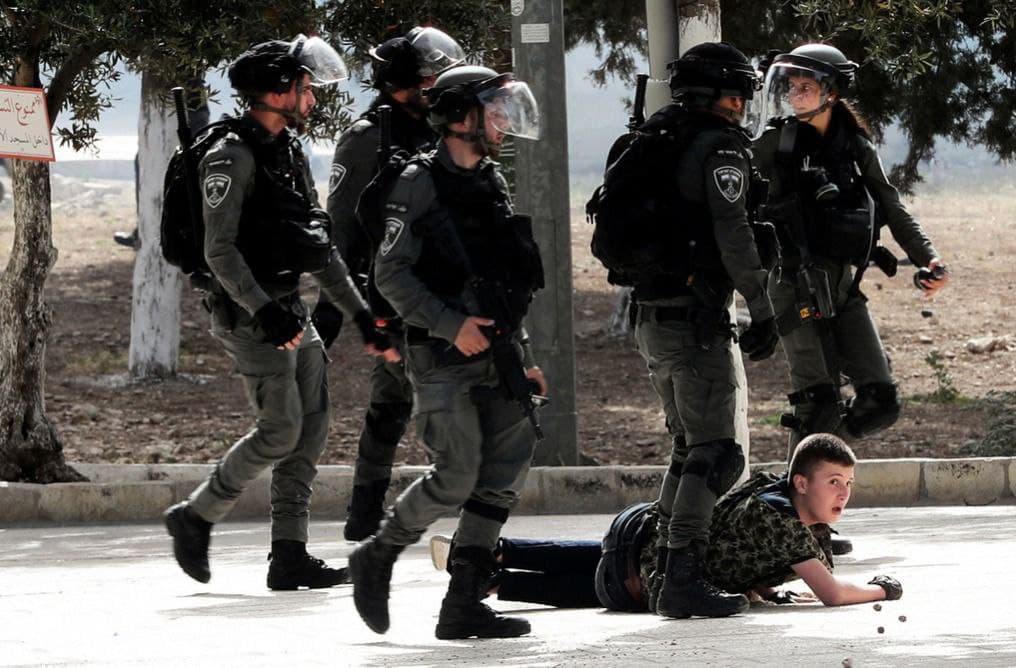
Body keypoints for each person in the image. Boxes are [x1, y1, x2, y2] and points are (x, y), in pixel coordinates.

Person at [162, 35, 398, 591]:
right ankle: (195, 515)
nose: (312, 99)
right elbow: (219, 252)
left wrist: (361, 315)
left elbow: (317, 245)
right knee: (279, 429)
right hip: (249, 312)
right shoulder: (230, 156)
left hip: (290, 308)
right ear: (276, 92)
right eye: (304, 88)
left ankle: (289, 554)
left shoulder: (287, 150)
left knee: (312, 426)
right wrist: (265, 311)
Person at [348, 65, 546, 640]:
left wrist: (523, 354)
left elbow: (502, 279)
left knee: (503, 472)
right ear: (461, 117)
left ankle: (463, 603)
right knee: (456, 476)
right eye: (494, 110)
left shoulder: (490, 181)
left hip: (499, 351)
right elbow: (389, 274)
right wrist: (450, 323)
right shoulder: (417, 183)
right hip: (441, 357)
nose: (504, 121)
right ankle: (378, 554)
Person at [627, 42, 780, 619]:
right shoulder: (718, 148)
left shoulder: (658, 137)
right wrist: (763, 306)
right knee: (717, 454)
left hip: (653, 319)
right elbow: (734, 232)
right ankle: (681, 574)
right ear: (722, 96)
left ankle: (661, 567)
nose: (743, 106)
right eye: (738, 95)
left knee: (689, 449)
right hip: (694, 324)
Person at [430, 433, 903, 611]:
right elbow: (832, 594)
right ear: (801, 482)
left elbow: (729, 541)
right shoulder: (781, 521)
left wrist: (761, 587)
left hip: (641, 535)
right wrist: (882, 589)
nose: (844, 493)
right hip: (637, 569)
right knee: (610, 585)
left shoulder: (769, 489)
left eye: (849, 483)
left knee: (605, 568)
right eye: (834, 482)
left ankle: (489, 560)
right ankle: (492, 572)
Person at [752, 46, 950, 460]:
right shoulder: (775, 143)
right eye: (792, 87)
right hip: (793, 285)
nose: (795, 95)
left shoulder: (856, 148)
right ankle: (802, 488)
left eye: (806, 87)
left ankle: (818, 467)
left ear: (832, 93)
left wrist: (928, 258)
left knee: (880, 401)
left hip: (843, 287)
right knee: (816, 404)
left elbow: (892, 207)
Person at [321, 27, 465, 542]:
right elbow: (342, 225)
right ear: (404, 83)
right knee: (400, 403)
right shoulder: (367, 137)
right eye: (428, 80)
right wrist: (339, 305)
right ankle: (370, 513)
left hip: (440, 288)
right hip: (394, 289)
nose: (436, 87)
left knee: (400, 399)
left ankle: (368, 514)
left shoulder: (434, 130)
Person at [114, 79, 211, 249]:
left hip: (189, 127)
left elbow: (199, 113)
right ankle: (142, 229)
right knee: (144, 163)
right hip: (172, 118)